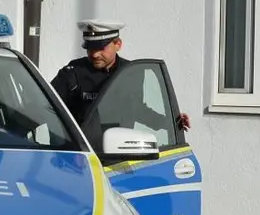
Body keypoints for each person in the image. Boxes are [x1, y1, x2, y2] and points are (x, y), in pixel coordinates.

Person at [49, 19, 190, 142]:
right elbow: (47, 106)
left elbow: (137, 109)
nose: (95, 54)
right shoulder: (73, 72)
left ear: (118, 44)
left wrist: (170, 120)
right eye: (90, 48)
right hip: (82, 155)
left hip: (119, 155)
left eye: (100, 48)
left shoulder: (131, 72)